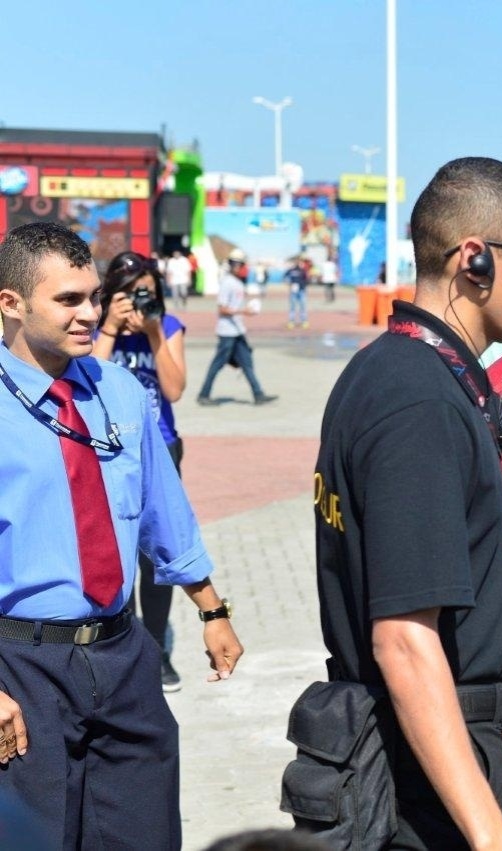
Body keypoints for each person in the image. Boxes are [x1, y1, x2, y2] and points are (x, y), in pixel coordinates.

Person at [311, 156, 502, 849]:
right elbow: (404, 639)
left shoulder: (397, 368)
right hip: (428, 768)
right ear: (474, 259)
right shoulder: (418, 399)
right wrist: (490, 835)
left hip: (429, 746)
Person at [0, 221, 243, 847]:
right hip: (21, 667)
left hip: (122, 654)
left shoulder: (121, 392)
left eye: (93, 296)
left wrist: (211, 609)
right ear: (11, 304)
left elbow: (165, 509)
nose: (91, 313)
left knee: (145, 832)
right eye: (69, 300)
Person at [91, 251, 189, 692]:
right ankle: (125, 646)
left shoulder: (167, 327)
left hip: (162, 448)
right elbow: (85, 381)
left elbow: (174, 389)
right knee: (118, 551)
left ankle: (157, 648)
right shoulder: (92, 328)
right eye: (128, 293)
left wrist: (153, 334)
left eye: (145, 293)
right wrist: (110, 327)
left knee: (156, 554)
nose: (137, 301)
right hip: (108, 449)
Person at [196, 248, 277, 406]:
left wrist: (244, 311)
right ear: (233, 265)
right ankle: (203, 395)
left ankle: (258, 394)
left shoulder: (237, 283)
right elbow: (222, 308)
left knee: (247, 363)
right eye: (239, 264)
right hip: (227, 332)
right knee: (217, 364)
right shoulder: (227, 283)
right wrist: (244, 311)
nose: (241, 268)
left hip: (237, 330)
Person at [284, 258, 308, 329]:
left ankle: (304, 321)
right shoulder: (291, 270)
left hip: (301, 290)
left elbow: (306, 279)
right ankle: (291, 321)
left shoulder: (303, 271)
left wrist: (303, 285)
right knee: (292, 307)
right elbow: (285, 277)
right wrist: (289, 283)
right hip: (293, 291)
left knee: (303, 306)